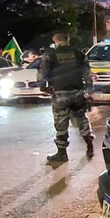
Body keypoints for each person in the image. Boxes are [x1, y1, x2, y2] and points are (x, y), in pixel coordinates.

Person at [38, 32, 94, 163]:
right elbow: (88, 74)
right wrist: (90, 91)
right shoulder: (79, 54)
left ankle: (62, 153)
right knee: (82, 119)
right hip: (78, 92)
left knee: (61, 123)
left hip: (60, 94)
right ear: (67, 40)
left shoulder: (50, 55)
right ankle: (89, 145)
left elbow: (42, 74)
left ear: (55, 41)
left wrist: (44, 88)